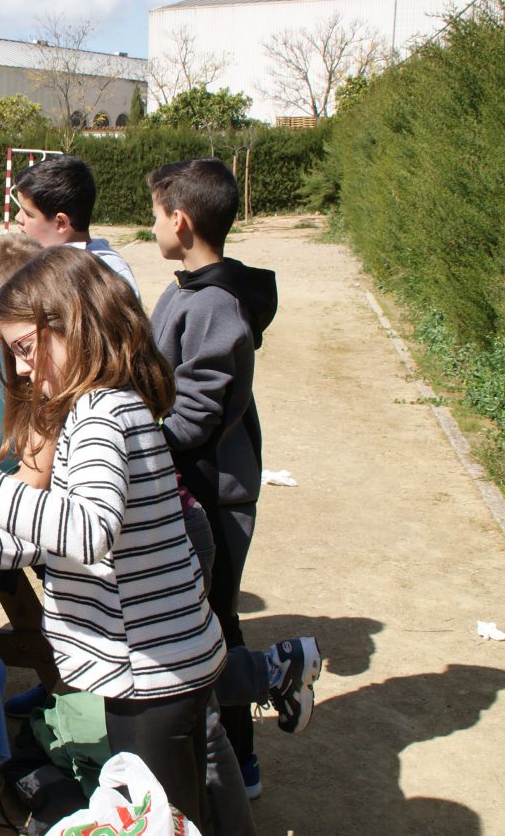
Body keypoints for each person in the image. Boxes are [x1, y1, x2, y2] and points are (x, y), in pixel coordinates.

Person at [0, 246, 226, 832]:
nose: (23, 369)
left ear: (72, 323)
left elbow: (86, 532)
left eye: (26, 348)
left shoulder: (100, 414)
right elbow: (55, 532)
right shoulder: (103, 404)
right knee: (180, 811)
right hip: (156, 667)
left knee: (161, 822)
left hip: (149, 675)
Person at [148, 158, 318, 800]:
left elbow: (196, 415)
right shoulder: (184, 292)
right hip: (190, 481)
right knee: (203, 621)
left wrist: (138, 445)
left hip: (214, 491)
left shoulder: (215, 304)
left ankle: (241, 759)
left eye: (155, 216)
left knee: (214, 623)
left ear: (180, 221)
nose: (152, 226)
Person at [11, 154, 139, 297]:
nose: (18, 217)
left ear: (61, 223)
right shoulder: (29, 262)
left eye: (28, 214)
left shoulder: (108, 275)